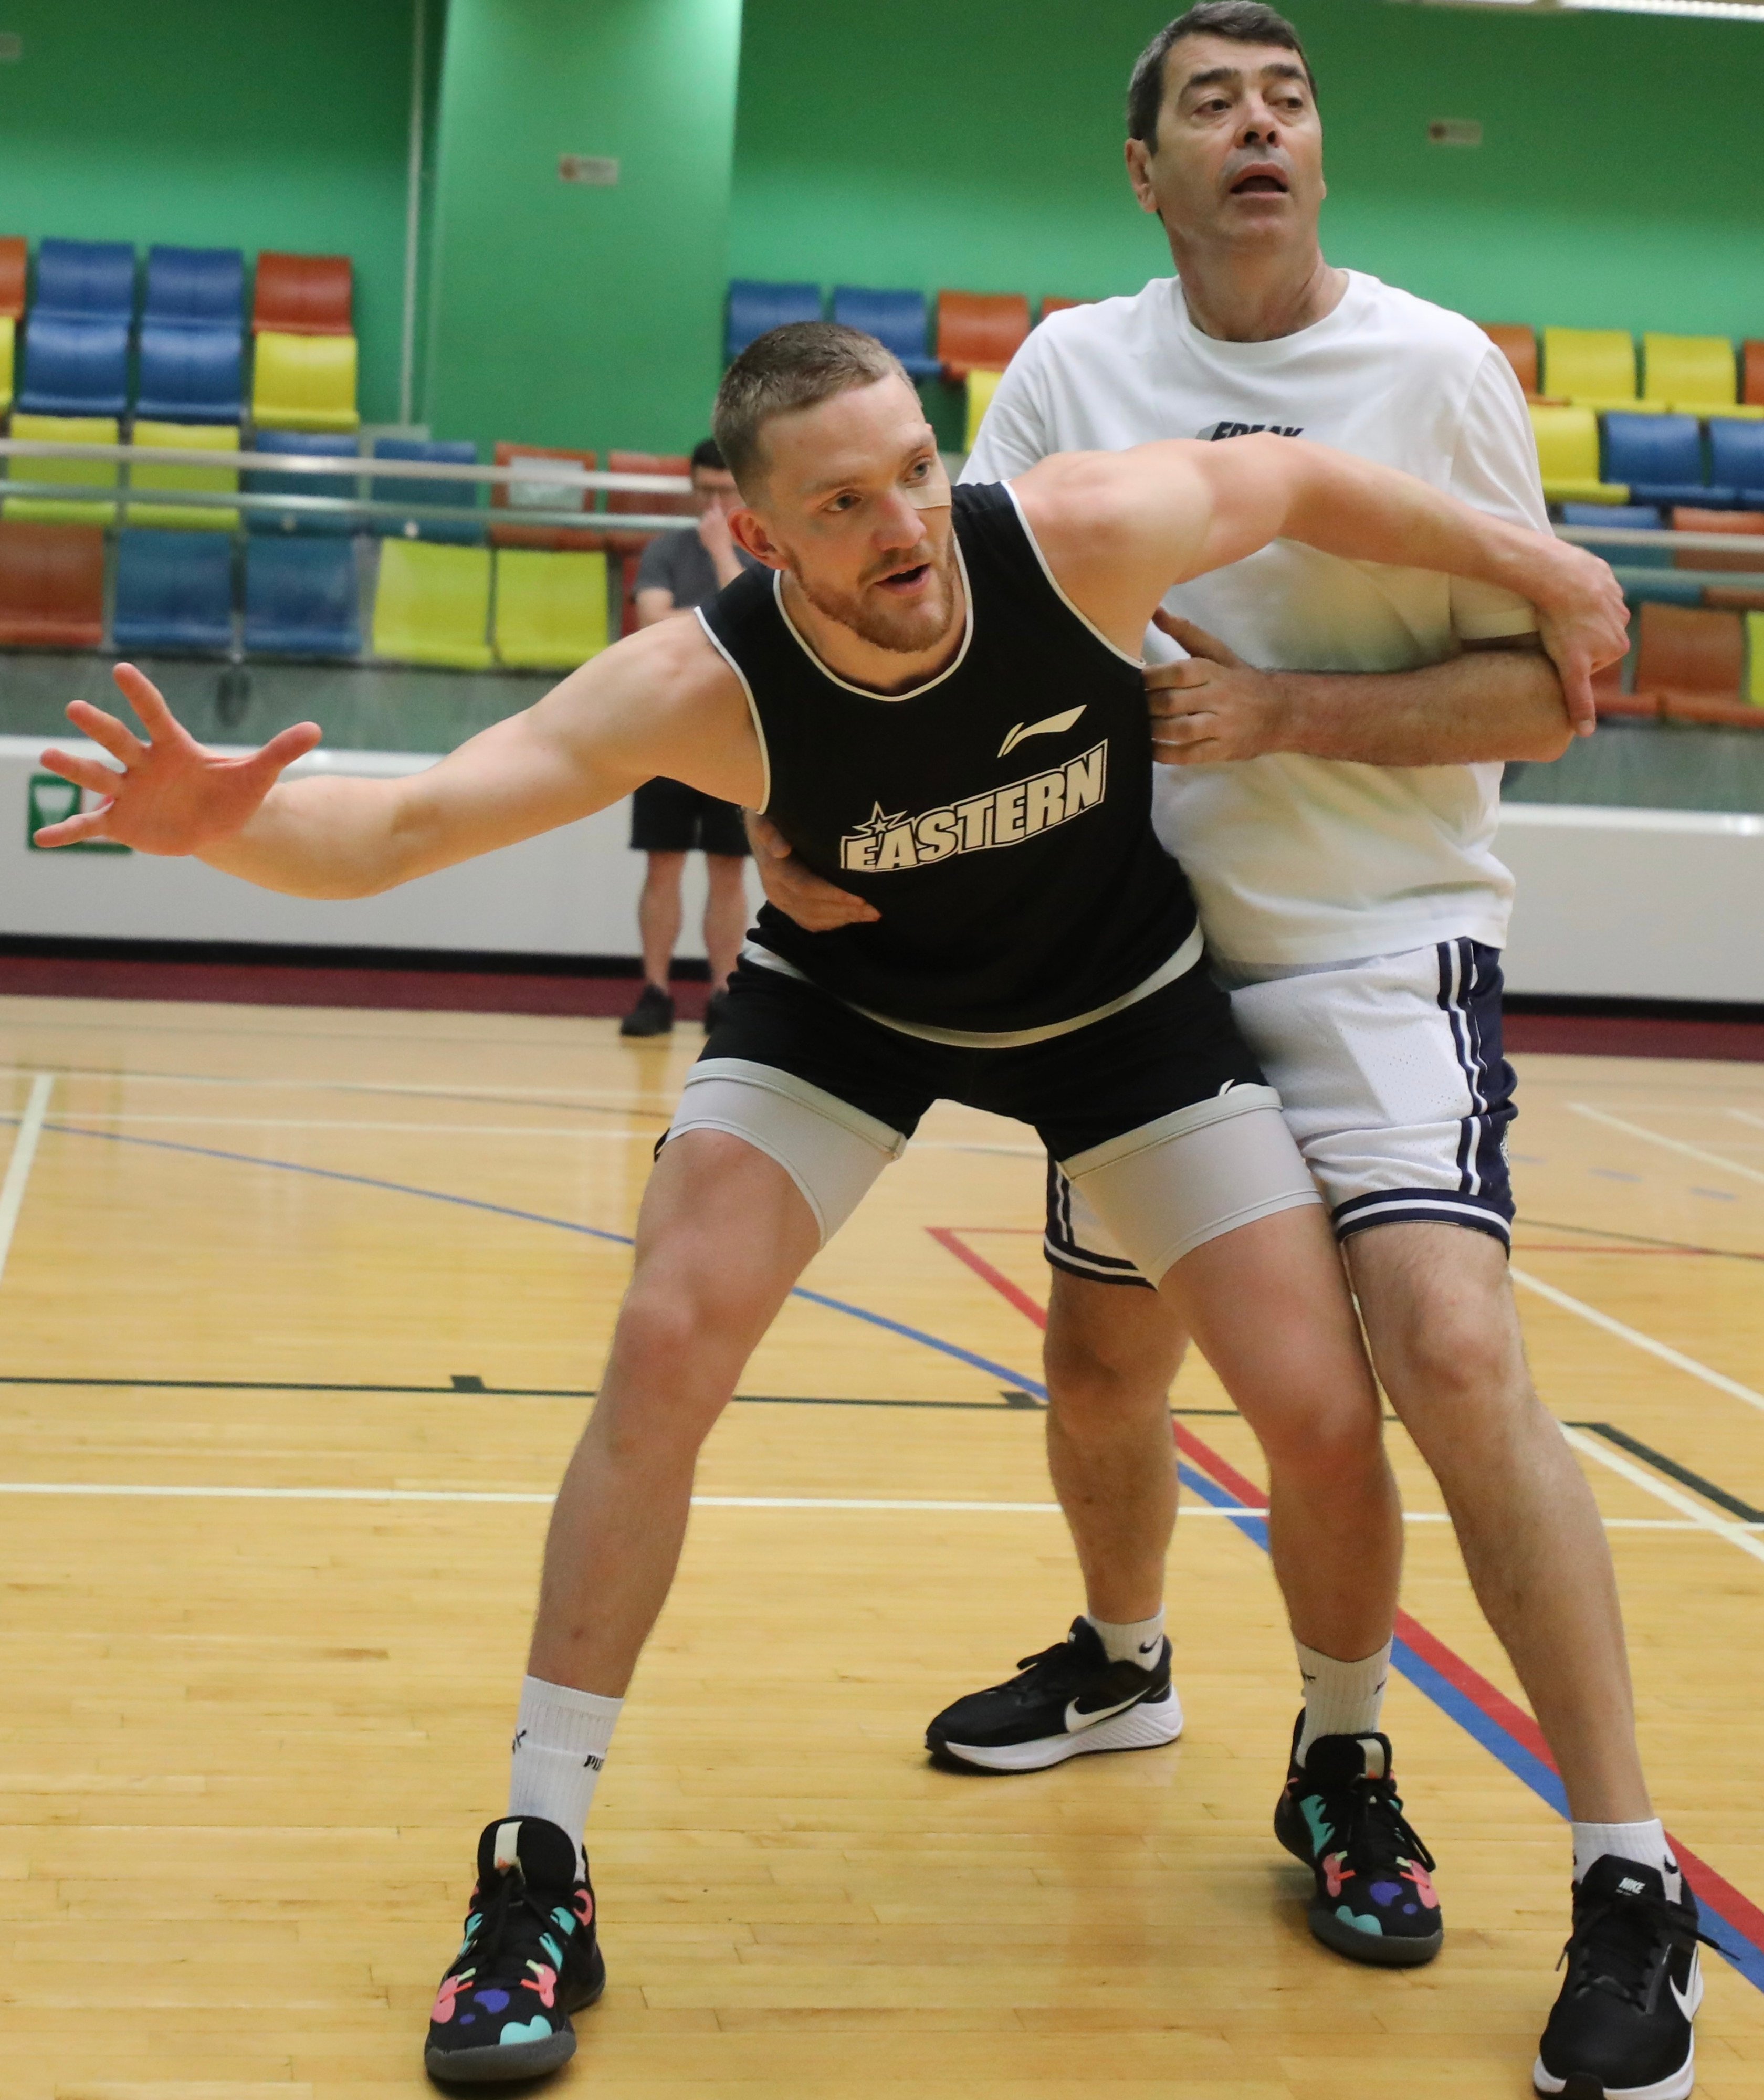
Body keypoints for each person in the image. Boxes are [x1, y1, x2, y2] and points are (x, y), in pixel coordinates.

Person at [35, 323, 1622, 2087]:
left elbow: (1307, 476)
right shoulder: (702, 684)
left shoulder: (1074, 535)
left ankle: (1339, 1760)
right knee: (666, 1334)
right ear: (757, 533)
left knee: (1324, 1412)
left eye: (918, 477)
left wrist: (1542, 558)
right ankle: (538, 1863)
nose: (905, 531)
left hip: (1120, 1015)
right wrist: (211, 830)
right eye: (846, 505)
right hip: (851, 1008)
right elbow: (405, 824)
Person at [746, 12, 1707, 2098]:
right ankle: (1125, 1663)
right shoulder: (1073, 374)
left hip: (1376, 944)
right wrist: (791, 787)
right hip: (1139, 960)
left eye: (1288, 99)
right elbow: (947, 650)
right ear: (1146, 172)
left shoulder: (1440, 374)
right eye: (1213, 102)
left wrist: (1292, 720)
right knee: (1103, 1375)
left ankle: (1593, 1863)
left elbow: (1548, 706)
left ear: (1322, 158)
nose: (1259, 125)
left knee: (1448, 1354)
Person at [621, 437, 758, 1038]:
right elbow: (652, 619)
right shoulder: (664, 550)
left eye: (725, 488)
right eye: (704, 487)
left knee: (730, 867)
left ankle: (724, 991)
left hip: (734, 733)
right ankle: (655, 988)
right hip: (665, 729)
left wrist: (722, 554)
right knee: (664, 863)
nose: (712, 499)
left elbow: (756, 621)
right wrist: (719, 616)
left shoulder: (765, 554)